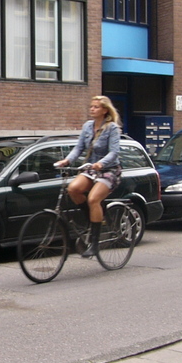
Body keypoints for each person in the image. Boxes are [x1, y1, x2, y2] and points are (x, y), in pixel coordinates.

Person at [55, 96, 122, 257]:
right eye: (91, 106)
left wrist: (101, 163)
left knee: (93, 199)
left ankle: (94, 243)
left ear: (105, 110)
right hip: (90, 168)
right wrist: (67, 160)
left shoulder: (112, 128)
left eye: (96, 107)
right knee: (73, 189)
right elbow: (78, 148)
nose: (92, 109)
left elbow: (114, 152)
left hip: (109, 169)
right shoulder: (87, 126)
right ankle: (92, 220)